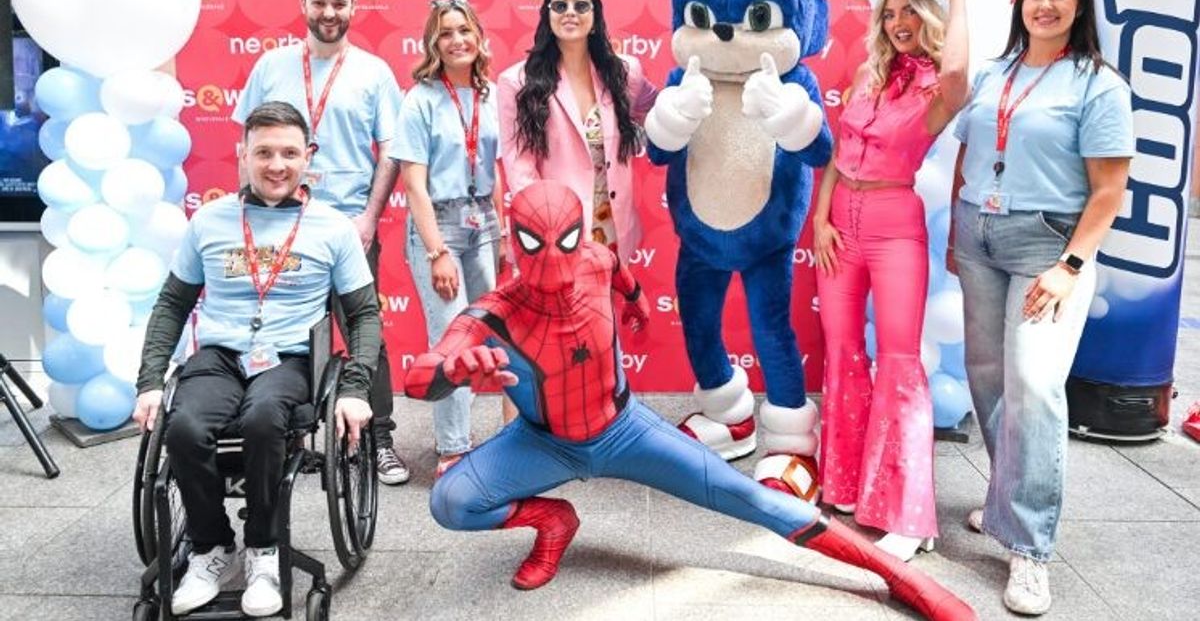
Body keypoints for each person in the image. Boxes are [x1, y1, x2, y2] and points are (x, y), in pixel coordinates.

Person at [403, 180, 975, 621]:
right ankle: (554, 521)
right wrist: (451, 370)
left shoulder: (597, 262)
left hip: (623, 430)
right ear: (513, 240)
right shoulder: (495, 310)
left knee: (754, 500)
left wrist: (635, 305)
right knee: (451, 504)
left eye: (565, 243)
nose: (553, 263)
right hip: (543, 441)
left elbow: (621, 277)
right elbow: (422, 376)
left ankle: (900, 577)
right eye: (535, 245)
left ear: (580, 236)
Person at [132, 102, 380, 617]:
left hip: (289, 359)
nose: (276, 165)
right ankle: (211, 547)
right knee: (183, 426)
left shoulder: (333, 229)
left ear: (308, 156)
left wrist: (355, 390)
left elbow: (363, 317)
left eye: (290, 153)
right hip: (220, 355)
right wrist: (150, 380)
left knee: (265, 421)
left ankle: (264, 550)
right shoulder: (208, 221)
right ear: (243, 154)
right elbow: (172, 304)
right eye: (263, 152)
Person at [949, 0, 1132, 615]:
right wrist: (953, 232)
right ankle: (1005, 501)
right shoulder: (997, 72)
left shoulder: (1098, 85)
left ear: (1080, 6)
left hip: (1047, 243)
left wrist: (1069, 266)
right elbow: (970, 150)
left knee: (1035, 382)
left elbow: (1110, 190)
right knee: (989, 374)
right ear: (1019, 3)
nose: (1044, 5)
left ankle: (1029, 547)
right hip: (977, 233)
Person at [231, 0, 408, 486]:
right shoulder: (271, 66)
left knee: (363, 331)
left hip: (349, 222)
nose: (329, 13)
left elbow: (393, 151)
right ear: (303, 5)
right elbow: (247, 141)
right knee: (278, 325)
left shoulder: (373, 71)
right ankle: (278, 436)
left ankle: (378, 440)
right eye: (319, 2)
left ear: (354, 7)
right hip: (280, 221)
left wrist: (370, 219)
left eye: (339, 3)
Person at [812, 0, 968, 561]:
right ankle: (847, 486)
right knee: (844, 351)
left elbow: (956, 72)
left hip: (893, 225)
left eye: (910, 12)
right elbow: (837, 154)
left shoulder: (936, 89)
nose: (899, 22)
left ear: (927, 19)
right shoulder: (867, 76)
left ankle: (907, 513)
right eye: (890, 12)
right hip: (839, 224)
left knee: (899, 361)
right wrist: (822, 217)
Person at [392, 0, 505, 478]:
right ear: (433, 43)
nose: (457, 40)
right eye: (446, 33)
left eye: (464, 30)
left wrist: (503, 236)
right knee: (451, 342)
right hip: (440, 229)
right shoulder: (420, 99)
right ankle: (453, 449)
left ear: (478, 36)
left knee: (495, 338)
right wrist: (437, 251)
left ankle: (504, 442)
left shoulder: (492, 94)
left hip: (485, 225)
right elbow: (413, 183)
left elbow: (497, 168)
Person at [496, 0, 657, 262]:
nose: (570, 12)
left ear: (595, 16)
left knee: (610, 308)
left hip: (614, 230)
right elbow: (520, 167)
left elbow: (654, 111)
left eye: (581, 5)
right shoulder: (517, 82)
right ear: (547, 16)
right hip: (556, 233)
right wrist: (547, 227)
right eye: (560, 6)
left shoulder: (625, 72)